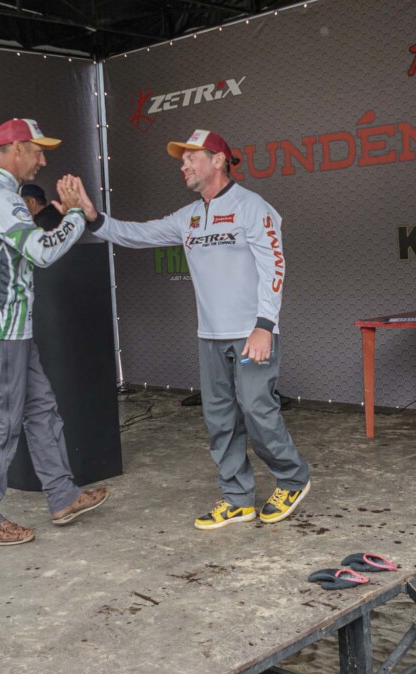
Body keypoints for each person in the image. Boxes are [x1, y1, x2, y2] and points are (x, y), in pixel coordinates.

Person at [79, 129, 311, 528]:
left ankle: (293, 478)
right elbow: (138, 234)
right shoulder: (187, 217)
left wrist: (264, 326)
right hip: (210, 337)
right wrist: (93, 217)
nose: (183, 166)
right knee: (220, 420)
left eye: (191, 158)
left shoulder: (252, 207)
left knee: (257, 410)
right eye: (182, 160)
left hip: (251, 335)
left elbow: (275, 267)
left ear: (218, 161)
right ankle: (237, 498)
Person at [0, 118, 109, 547]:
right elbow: (40, 253)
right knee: (1, 423)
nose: (42, 161)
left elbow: (16, 249)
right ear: (17, 148)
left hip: (8, 325)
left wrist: (57, 219)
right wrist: (75, 215)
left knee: (41, 408)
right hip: (1, 326)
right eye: (38, 151)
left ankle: (63, 496)